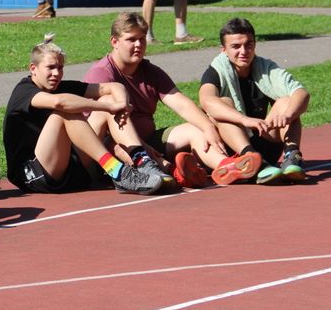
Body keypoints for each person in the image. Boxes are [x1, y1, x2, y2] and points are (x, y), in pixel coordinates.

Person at [83, 12, 259, 187]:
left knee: (195, 130)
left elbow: (181, 103)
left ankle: (227, 166)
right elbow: (97, 130)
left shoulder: (150, 71)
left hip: (149, 140)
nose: (138, 45)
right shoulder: (102, 74)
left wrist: (207, 127)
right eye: (131, 40)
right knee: (117, 144)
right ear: (114, 42)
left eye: (142, 39)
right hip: (111, 148)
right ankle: (172, 172)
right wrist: (141, 147)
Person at [2, 35, 164, 195]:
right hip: (33, 174)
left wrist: (122, 105)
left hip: (71, 169)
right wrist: (108, 107)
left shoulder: (62, 86)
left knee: (106, 98)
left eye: (60, 67)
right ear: (33, 68)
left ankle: (144, 163)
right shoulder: (23, 91)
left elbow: (114, 87)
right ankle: (118, 172)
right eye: (50, 67)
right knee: (64, 113)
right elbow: (60, 103)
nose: (57, 73)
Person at [199, 18, 311, 184]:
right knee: (223, 102)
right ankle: (251, 161)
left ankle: (292, 157)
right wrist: (244, 120)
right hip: (234, 147)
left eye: (249, 44)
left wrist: (288, 115)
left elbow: (302, 94)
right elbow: (206, 101)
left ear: (255, 45)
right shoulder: (215, 71)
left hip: (266, 140)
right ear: (224, 49)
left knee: (287, 101)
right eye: (236, 46)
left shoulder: (266, 67)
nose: (244, 51)